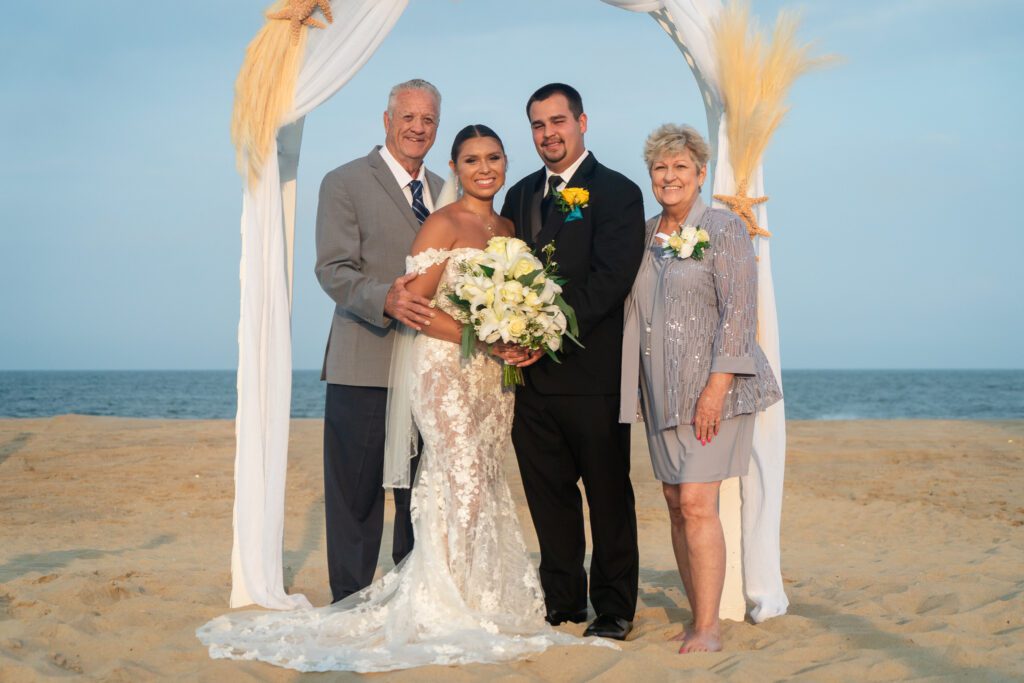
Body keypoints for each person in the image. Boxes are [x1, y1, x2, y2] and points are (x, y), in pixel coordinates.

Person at [197, 126, 610, 672]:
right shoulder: (443, 221)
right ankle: (446, 602)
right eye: (470, 160)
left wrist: (521, 335)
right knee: (456, 476)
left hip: (491, 380)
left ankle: (484, 595)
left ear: (505, 162)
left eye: (493, 158)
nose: (483, 168)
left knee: (483, 480)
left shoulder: (508, 226)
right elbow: (413, 304)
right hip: (447, 371)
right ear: (455, 167)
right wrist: (482, 335)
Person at [619, 124, 782, 653]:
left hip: (713, 393)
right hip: (659, 393)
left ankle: (709, 628)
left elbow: (739, 312)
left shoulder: (725, 228)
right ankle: (697, 616)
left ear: (700, 173)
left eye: (680, 168)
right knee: (673, 500)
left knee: (696, 502)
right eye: (661, 168)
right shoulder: (643, 234)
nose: (669, 177)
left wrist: (715, 389)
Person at [500, 83, 645, 641]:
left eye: (557, 121)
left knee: (608, 497)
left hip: (593, 377)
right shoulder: (518, 196)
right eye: (537, 125)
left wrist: (546, 330)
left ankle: (613, 609)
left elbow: (611, 281)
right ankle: (564, 604)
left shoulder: (617, 192)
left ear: (582, 121)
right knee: (549, 497)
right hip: (530, 381)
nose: (548, 134)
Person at [312, 79, 445, 603]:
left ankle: (411, 596)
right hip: (364, 360)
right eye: (408, 117)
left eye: (428, 120)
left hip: (431, 368)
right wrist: (383, 299)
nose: (418, 127)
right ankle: (349, 600)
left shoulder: (445, 188)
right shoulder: (344, 181)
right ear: (386, 120)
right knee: (357, 495)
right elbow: (333, 269)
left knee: (420, 493)